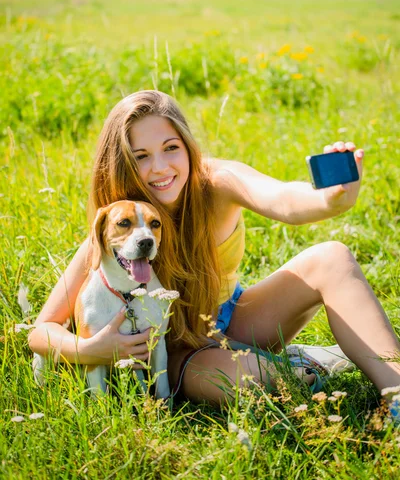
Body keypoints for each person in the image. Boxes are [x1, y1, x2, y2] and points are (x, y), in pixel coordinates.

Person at [28, 90, 400, 416]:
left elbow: (284, 199)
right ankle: (308, 361)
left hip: (234, 316)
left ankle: (397, 394)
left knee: (332, 257)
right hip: (178, 354)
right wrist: (91, 349)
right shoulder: (121, 226)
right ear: (124, 163)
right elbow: (41, 331)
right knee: (287, 382)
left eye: (171, 148)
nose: (160, 168)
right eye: (141, 156)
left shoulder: (217, 183)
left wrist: (330, 199)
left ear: (187, 145)